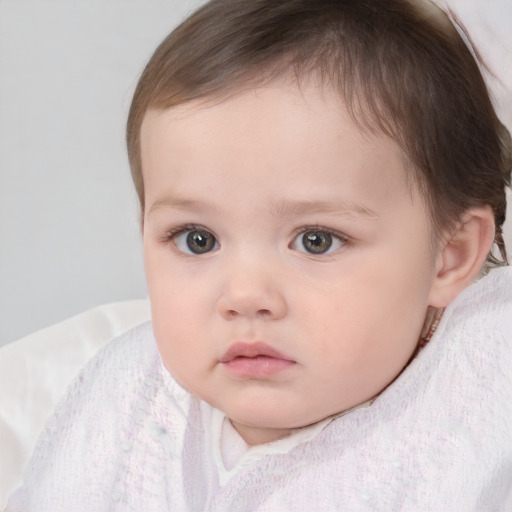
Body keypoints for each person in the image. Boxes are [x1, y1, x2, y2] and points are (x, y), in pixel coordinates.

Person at [8, 0, 512, 510]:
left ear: (449, 255)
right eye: (196, 239)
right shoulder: (122, 401)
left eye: (317, 240)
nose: (245, 296)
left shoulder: (477, 414)